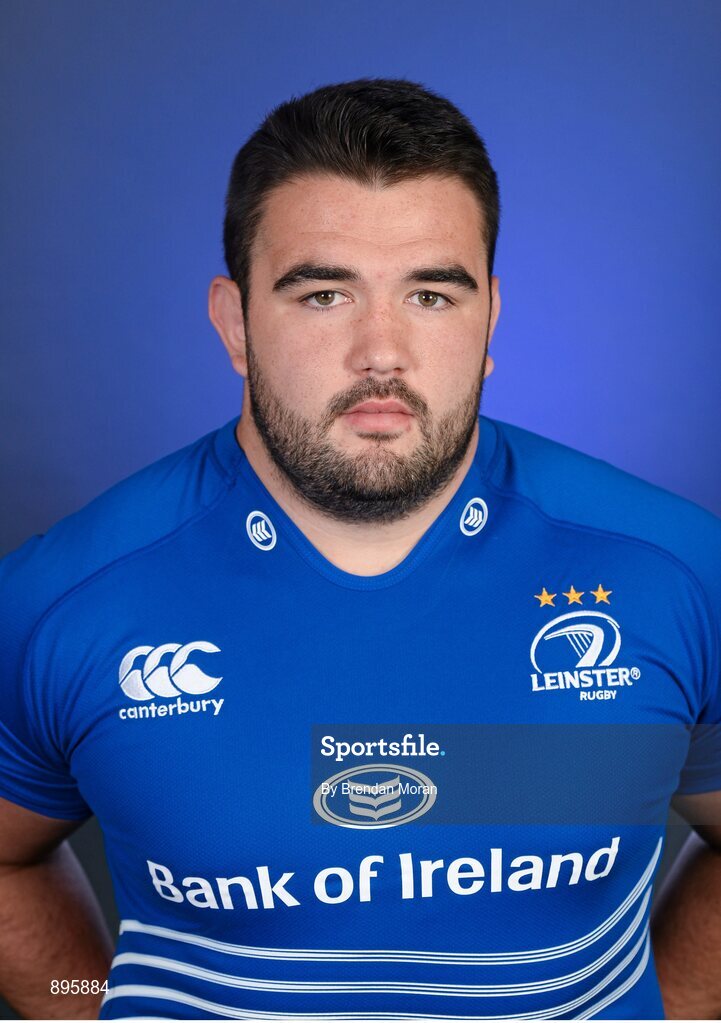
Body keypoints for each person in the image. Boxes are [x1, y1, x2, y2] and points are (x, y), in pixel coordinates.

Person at [0, 76, 720, 1022]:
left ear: (490, 318)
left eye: (430, 292)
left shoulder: (676, 571)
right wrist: (97, 1007)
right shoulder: (62, 600)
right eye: (324, 293)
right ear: (234, 323)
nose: (380, 352)